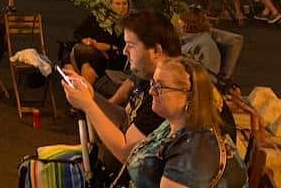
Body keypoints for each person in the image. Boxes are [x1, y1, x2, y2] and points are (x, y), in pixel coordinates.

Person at [84, 57, 247, 188]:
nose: (151, 91)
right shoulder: (172, 123)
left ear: (188, 96)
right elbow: (131, 153)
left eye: (160, 87)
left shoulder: (197, 151)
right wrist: (91, 97)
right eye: (153, 83)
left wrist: (88, 105)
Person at [62, 11, 185, 179]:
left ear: (156, 50)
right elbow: (127, 118)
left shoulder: (166, 93)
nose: (125, 51)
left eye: (131, 45)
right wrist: (91, 97)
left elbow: (126, 152)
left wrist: (88, 106)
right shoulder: (147, 76)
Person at [69, 0, 132, 87]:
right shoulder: (98, 18)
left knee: (84, 63)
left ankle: (82, 98)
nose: (122, 7)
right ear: (109, 5)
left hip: (114, 60)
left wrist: (109, 47)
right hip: (94, 56)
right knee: (86, 65)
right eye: (117, 4)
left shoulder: (131, 24)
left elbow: (127, 50)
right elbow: (78, 32)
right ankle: (85, 98)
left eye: (125, 4)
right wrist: (86, 40)